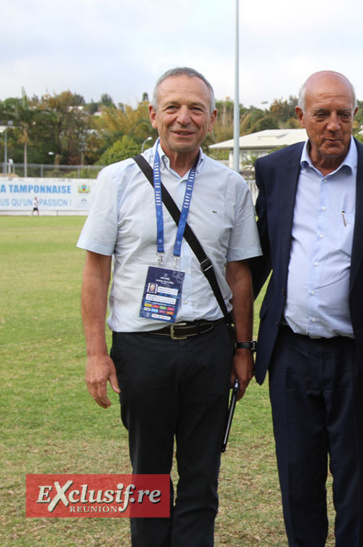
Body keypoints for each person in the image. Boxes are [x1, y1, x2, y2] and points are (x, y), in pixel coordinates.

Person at [78, 67, 261, 545]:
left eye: (196, 108)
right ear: (154, 114)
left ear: (212, 118)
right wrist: (97, 354)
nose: (184, 118)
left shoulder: (231, 186)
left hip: (208, 349)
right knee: (149, 479)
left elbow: (240, 275)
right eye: (174, 107)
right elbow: (96, 270)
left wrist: (243, 347)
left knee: (202, 479)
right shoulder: (116, 180)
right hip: (142, 349)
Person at [251, 70, 363, 545]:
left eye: (343, 114)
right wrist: (238, 341)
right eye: (321, 113)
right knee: (297, 480)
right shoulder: (275, 171)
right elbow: (260, 257)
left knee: (355, 481)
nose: (333, 125)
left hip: (358, 358)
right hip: (290, 354)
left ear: (355, 117)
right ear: (300, 116)